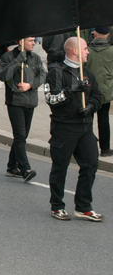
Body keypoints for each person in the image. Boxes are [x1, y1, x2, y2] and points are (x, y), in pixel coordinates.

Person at [44, 36, 104, 222]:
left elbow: (98, 96)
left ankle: (83, 206)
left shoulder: (87, 73)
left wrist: (91, 107)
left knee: (91, 163)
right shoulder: (56, 72)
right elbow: (50, 99)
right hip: (64, 127)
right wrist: (71, 91)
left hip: (85, 127)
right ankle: (57, 206)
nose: (88, 52)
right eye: (85, 48)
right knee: (60, 166)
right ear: (74, 51)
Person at [0, 37, 46, 181]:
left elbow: (42, 75)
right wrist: (18, 60)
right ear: (21, 41)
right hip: (15, 101)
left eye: (34, 41)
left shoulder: (35, 57)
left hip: (30, 101)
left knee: (22, 136)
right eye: (31, 40)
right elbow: (3, 76)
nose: (34, 43)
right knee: (20, 136)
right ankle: (25, 168)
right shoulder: (8, 56)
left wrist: (30, 85)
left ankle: (11, 166)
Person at [86, 27, 113, 157]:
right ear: (108, 34)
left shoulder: (88, 50)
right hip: (105, 91)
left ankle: (87, 148)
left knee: (87, 120)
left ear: (95, 33)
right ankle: (105, 149)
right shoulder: (111, 51)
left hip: (88, 90)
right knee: (104, 119)